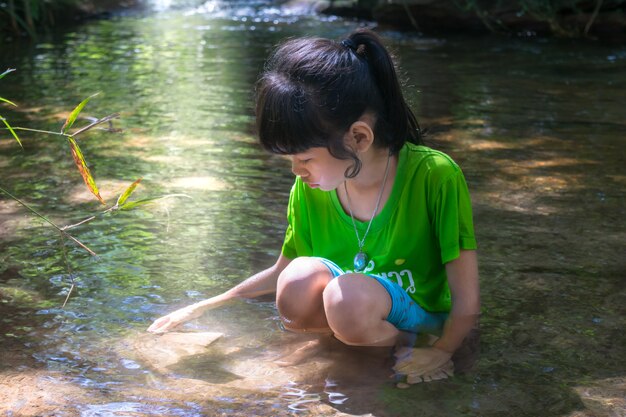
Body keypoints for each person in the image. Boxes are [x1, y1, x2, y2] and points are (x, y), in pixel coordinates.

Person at [147, 28, 480, 385]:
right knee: (296, 282)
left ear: (358, 137)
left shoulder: (435, 176)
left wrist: (443, 351)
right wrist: (205, 305)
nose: (296, 170)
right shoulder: (311, 186)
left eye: (305, 157)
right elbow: (281, 272)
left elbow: (467, 302)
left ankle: (380, 367)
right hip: (353, 311)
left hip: (418, 321)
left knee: (347, 299)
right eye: (290, 159)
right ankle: (333, 357)